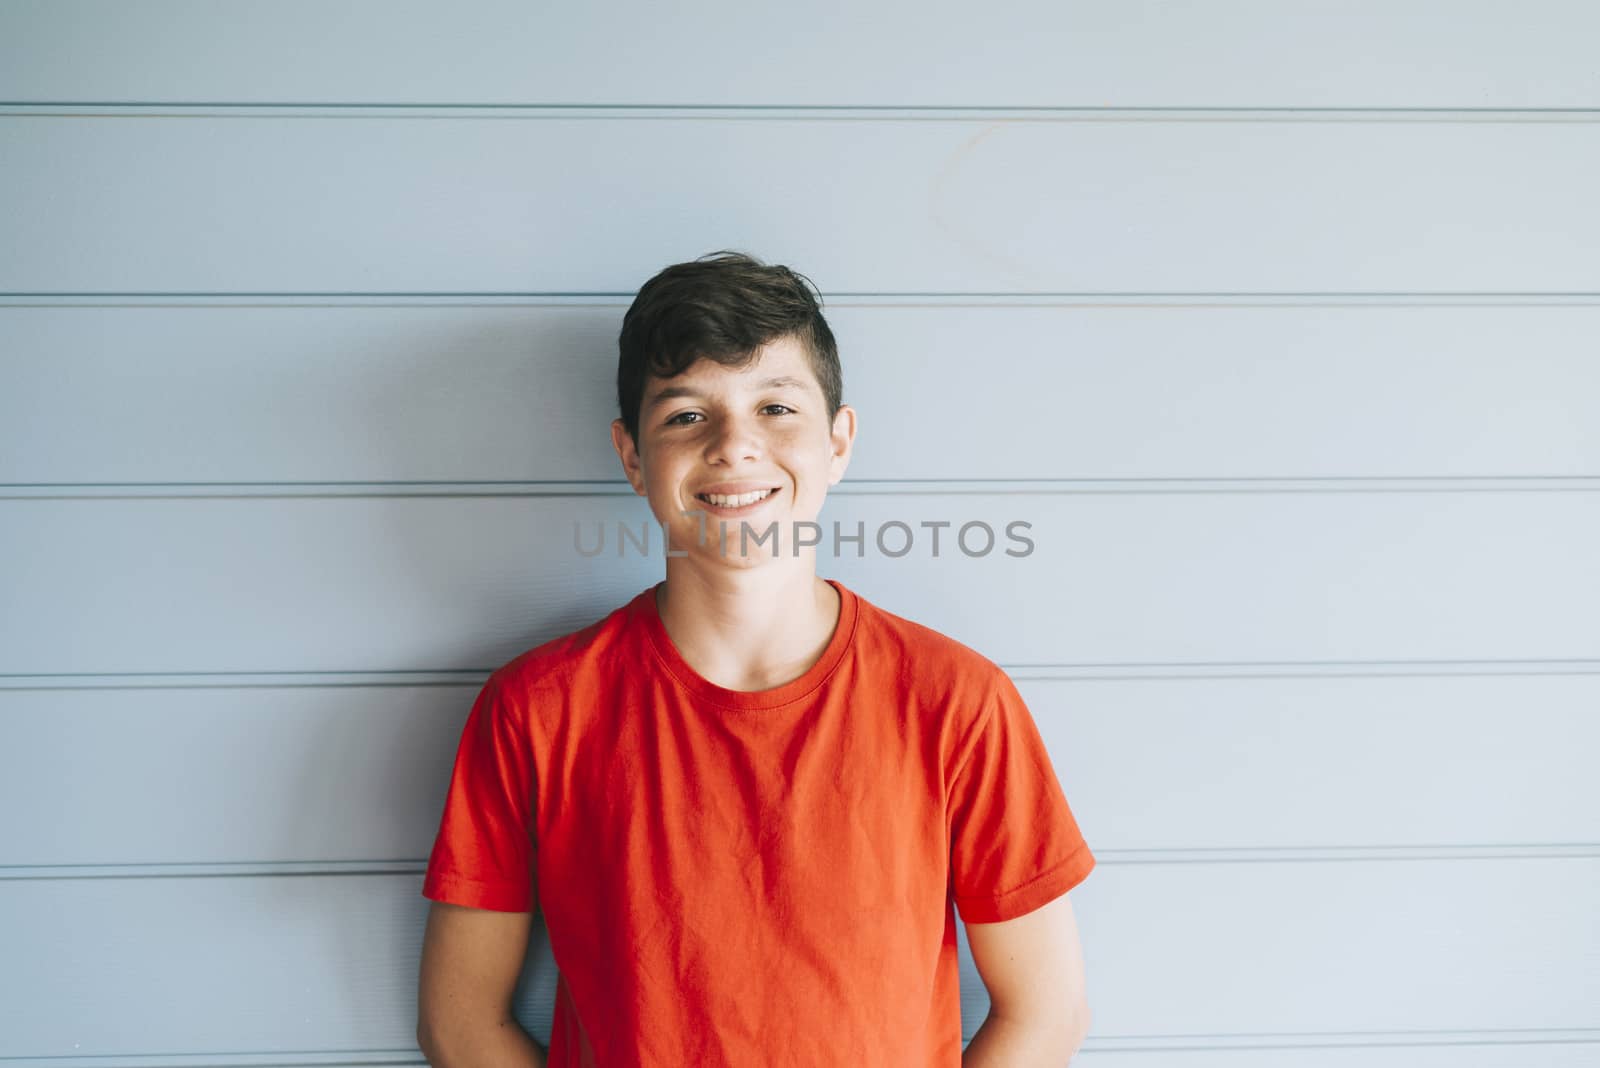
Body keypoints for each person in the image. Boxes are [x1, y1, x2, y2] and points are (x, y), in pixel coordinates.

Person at [415, 250, 1095, 1066]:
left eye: (777, 408)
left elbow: (1045, 1014)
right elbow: (460, 1022)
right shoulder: (537, 711)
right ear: (633, 457)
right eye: (687, 416)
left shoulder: (956, 702)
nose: (736, 446)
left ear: (839, 443)